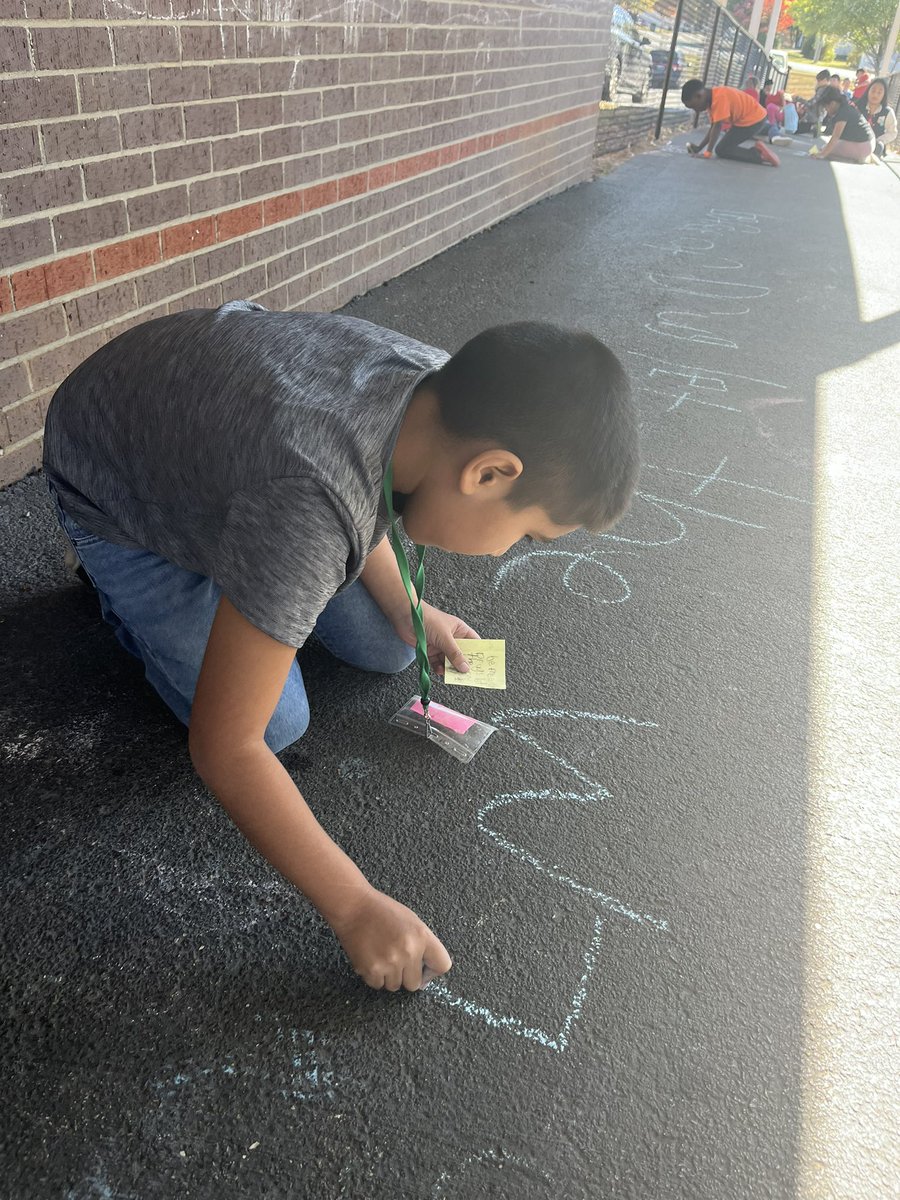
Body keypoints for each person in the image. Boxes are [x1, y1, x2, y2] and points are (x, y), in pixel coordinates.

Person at [42, 303, 639, 994]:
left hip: (217, 446)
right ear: (490, 474)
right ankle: (116, 588)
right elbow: (226, 747)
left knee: (389, 644)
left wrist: (414, 611)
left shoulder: (438, 392)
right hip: (115, 485)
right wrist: (355, 907)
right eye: (528, 535)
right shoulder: (308, 506)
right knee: (273, 725)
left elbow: (360, 486)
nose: (512, 551)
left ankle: (251, 572)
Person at [681, 78, 780, 165]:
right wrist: (699, 148)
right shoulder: (713, 98)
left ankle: (759, 155)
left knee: (722, 150)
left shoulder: (719, 98)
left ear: (699, 96)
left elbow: (717, 127)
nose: (696, 110)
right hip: (750, 119)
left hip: (753, 120)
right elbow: (713, 128)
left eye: (694, 106)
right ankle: (759, 151)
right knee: (723, 148)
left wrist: (708, 153)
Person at [814, 85, 876, 162]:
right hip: (868, 142)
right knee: (826, 148)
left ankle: (861, 158)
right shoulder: (846, 106)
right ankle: (862, 156)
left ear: (833, 103)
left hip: (864, 145)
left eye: (826, 107)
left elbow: (836, 137)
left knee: (825, 150)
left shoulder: (842, 112)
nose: (826, 110)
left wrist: (822, 154)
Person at [857, 76, 898, 157]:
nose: (875, 94)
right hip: (857, 142)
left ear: (884, 95)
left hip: (876, 146)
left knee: (879, 147)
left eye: (879, 92)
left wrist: (879, 140)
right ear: (868, 91)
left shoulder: (888, 112)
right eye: (873, 90)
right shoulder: (858, 107)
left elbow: (893, 133)